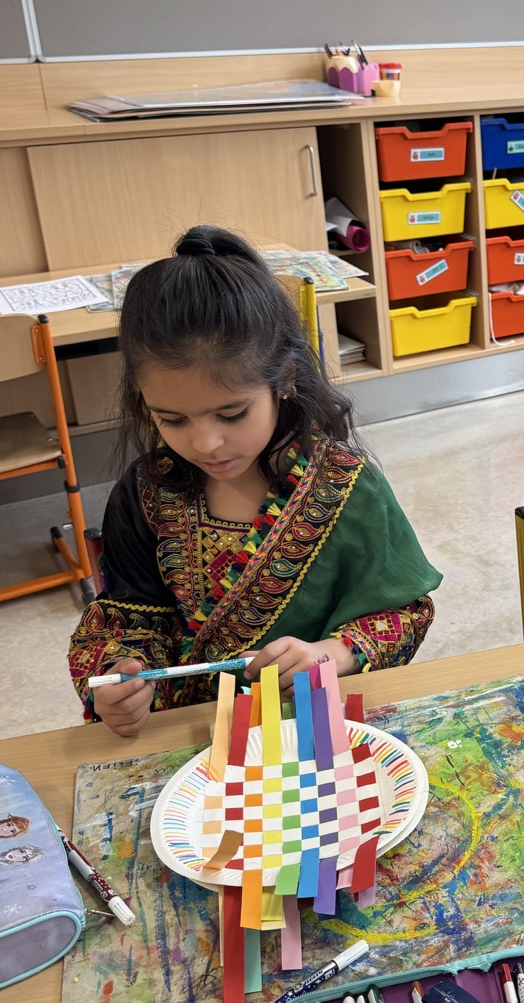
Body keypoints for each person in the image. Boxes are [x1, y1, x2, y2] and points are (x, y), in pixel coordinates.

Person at [69, 226, 441, 736]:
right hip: (189, 733)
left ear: (284, 379)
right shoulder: (146, 492)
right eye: (172, 419)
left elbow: (406, 613)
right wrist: (120, 683)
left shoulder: (346, 486)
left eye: (231, 414)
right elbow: (128, 615)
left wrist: (331, 653)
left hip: (308, 729)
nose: (206, 444)